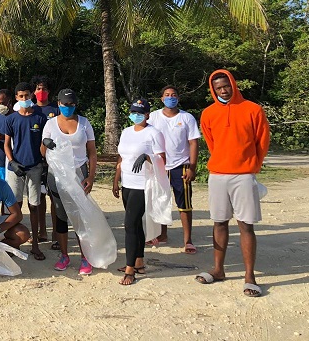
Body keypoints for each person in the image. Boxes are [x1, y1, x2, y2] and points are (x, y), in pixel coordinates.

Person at [195, 70, 270, 298]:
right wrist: (221, 161)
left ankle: (250, 276)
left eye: (226, 86)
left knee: (246, 224)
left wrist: (252, 166)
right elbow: (211, 142)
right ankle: (218, 270)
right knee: (219, 222)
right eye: (218, 88)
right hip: (218, 174)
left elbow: (262, 140)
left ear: (233, 85)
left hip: (244, 175)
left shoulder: (252, 109)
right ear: (213, 90)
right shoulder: (208, 114)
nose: (223, 90)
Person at [41, 88, 97, 275]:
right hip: (56, 174)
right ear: (58, 104)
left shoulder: (84, 123)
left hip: (78, 173)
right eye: (65, 104)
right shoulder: (50, 124)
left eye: (72, 104)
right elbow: (42, 152)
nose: (68, 107)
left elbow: (92, 153)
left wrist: (90, 176)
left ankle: (85, 257)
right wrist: (45, 144)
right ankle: (64, 255)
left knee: (80, 216)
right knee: (61, 215)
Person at [112, 98, 165, 286]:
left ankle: (129, 270)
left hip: (143, 184)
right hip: (127, 181)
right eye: (133, 112)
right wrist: (116, 180)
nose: (136, 116)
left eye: (140, 113)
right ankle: (139, 260)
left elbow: (162, 160)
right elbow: (121, 157)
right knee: (134, 225)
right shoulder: (126, 132)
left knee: (129, 224)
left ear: (148, 115)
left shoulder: (154, 133)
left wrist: (148, 157)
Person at [148, 85, 201, 252]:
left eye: (174, 95)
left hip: (181, 165)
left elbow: (193, 143)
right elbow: (145, 137)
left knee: (184, 203)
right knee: (161, 201)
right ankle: (162, 235)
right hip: (159, 166)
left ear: (178, 98)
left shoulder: (187, 118)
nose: (170, 97)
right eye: (167, 95)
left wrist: (192, 167)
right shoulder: (153, 117)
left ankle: (188, 240)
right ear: (162, 99)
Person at [4, 81, 48, 261]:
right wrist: (13, 162)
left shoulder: (40, 118)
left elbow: (44, 144)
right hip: (16, 168)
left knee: (35, 205)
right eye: (20, 96)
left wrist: (44, 162)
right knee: (15, 206)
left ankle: (35, 244)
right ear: (16, 98)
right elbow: (7, 144)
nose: (24, 99)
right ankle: (13, 242)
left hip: (35, 167)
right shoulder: (11, 119)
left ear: (31, 96)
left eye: (27, 96)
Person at [30, 75, 61, 249]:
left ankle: (57, 233)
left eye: (44, 88)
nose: (41, 92)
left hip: (53, 160)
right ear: (34, 92)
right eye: (38, 88)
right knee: (38, 197)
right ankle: (42, 231)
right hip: (35, 160)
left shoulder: (56, 110)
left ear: (49, 92)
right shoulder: (30, 110)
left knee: (54, 197)